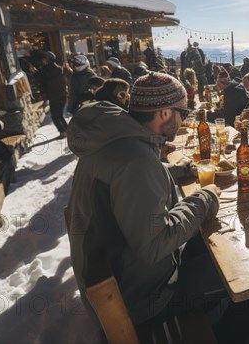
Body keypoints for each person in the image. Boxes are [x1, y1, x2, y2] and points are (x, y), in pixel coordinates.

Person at [67, 72, 224, 327]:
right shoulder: (135, 160)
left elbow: (130, 185)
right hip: (141, 300)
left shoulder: (117, 142)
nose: (182, 119)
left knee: (208, 246)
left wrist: (178, 171)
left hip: (122, 274)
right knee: (234, 277)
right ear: (164, 113)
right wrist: (204, 199)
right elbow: (154, 245)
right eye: (182, 113)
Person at [38, 51, 68, 138]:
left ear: (47, 59)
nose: (42, 60)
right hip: (62, 95)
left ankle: (63, 132)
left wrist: (35, 73)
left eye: (44, 59)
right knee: (59, 115)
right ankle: (68, 130)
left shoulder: (47, 70)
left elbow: (43, 81)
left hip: (54, 96)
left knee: (55, 116)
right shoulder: (59, 68)